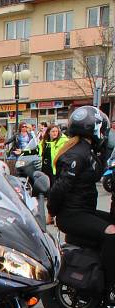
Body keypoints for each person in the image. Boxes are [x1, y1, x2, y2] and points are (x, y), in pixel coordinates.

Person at [49, 106, 114, 296]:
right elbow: (60, 188)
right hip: (72, 215)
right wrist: (51, 212)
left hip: (84, 211)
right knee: (112, 232)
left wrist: (106, 150)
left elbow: (98, 172)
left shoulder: (87, 150)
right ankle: (109, 287)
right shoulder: (76, 154)